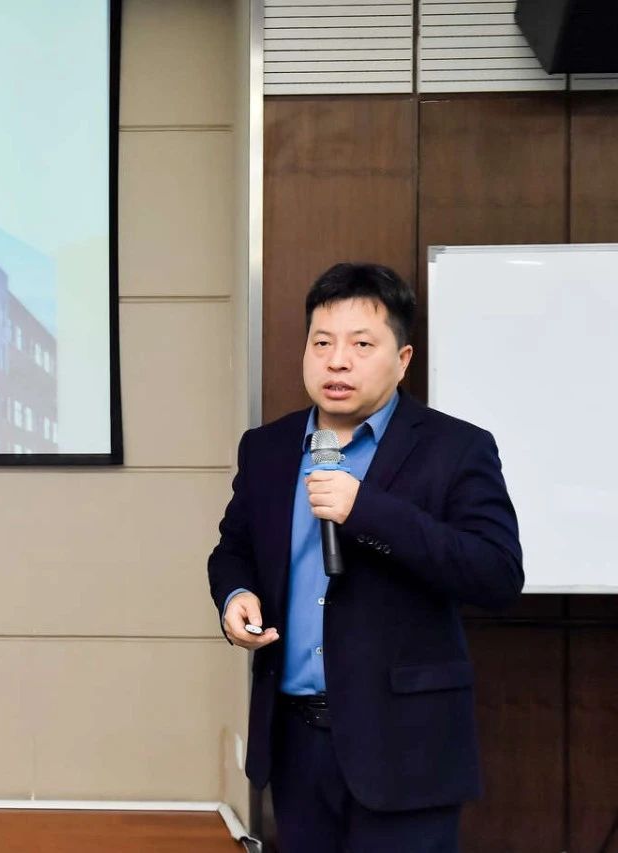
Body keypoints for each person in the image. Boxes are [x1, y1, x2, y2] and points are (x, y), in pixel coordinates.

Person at [207, 262, 523, 852]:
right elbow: (234, 549)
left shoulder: (456, 448)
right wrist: (235, 596)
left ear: (402, 360)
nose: (337, 362)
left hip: (407, 749)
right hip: (296, 744)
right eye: (321, 343)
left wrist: (367, 512)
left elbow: (497, 573)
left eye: (361, 345)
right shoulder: (268, 447)